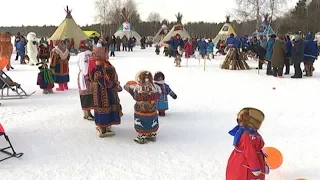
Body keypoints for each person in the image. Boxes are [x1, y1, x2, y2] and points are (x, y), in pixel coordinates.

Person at [226, 107, 269, 180]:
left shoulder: (249, 133)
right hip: (246, 163)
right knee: (245, 176)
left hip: (242, 159)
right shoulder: (248, 137)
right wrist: (255, 168)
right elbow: (250, 153)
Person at [88, 47, 123, 138]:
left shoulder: (100, 63)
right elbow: (103, 81)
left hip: (101, 92)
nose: (107, 55)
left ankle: (102, 126)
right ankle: (103, 130)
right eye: (106, 53)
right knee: (104, 108)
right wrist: (115, 85)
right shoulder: (99, 65)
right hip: (103, 93)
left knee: (104, 108)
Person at [123, 71, 161, 144]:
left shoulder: (138, 88)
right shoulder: (155, 87)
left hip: (141, 110)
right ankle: (152, 134)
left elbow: (134, 95)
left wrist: (127, 87)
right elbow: (159, 93)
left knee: (142, 121)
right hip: (152, 109)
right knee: (152, 120)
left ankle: (142, 136)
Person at [77, 41, 94, 120]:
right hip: (87, 76)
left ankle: (86, 112)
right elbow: (85, 67)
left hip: (82, 76)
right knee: (88, 94)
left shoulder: (82, 55)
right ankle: (87, 112)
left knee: (85, 94)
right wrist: (87, 74)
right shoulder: (87, 54)